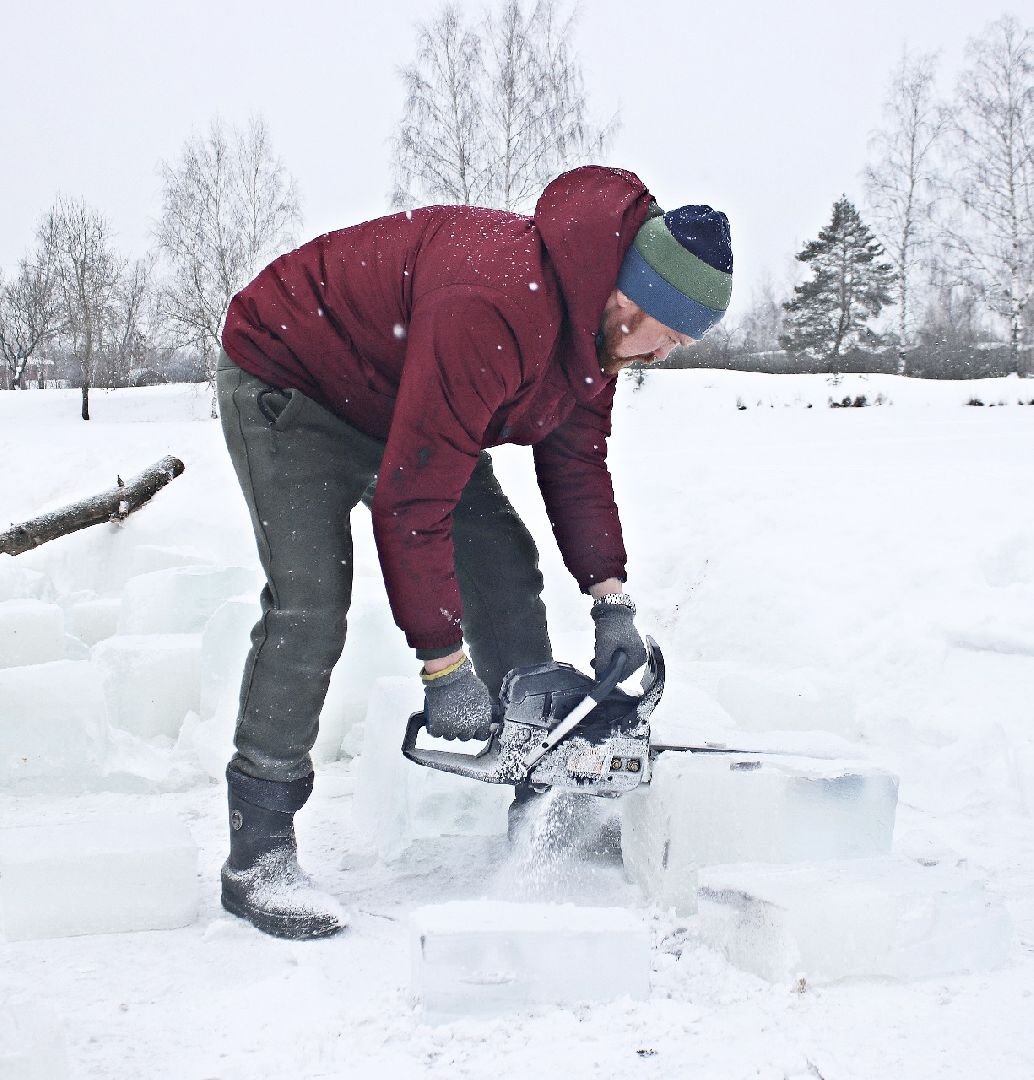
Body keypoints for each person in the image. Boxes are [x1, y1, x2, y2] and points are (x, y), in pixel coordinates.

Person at [215, 165, 733, 938]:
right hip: (293, 379)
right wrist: (442, 665)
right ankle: (258, 851)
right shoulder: (496, 305)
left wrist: (611, 599)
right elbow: (411, 504)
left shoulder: (595, 339)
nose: (668, 355)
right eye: (674, 335)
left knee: (501, 563)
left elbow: (576, 464)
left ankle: (543, 782)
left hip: (402, 396)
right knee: (311, 604)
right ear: (637, 300)